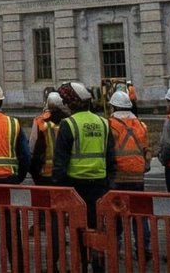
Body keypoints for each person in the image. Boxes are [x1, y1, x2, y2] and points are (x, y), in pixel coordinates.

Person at [55, 81, 113, 271]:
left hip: (76, 187)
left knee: (78, 231)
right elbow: (111, 158)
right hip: (100, 186)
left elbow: (60, 163)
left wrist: (61, 190)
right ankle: (98, 266)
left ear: (72, 103)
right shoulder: (104, 123)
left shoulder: (68, 124)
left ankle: (81, 265)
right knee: (97, 229)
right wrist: (108, 183)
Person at [108, 91, 149, 191]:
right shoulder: (141, 125)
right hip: (138, 175)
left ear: (114, 107)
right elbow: (147, 151)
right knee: (136, 205)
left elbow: (108, 151)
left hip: (119, 175)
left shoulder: (110, 124)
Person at [29, 91, 66, 186]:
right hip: (65, 171)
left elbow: (32, 146)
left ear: (47, 104)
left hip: (45, 171)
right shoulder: (69, 120)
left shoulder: (40, 121)